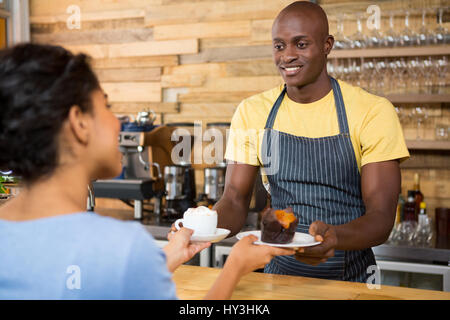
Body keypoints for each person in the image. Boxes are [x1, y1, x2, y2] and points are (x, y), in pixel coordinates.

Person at [0, 43, 294, 299]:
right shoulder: (120, 246)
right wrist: (235, 267)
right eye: (106, 106)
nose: (118, 122)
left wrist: (165, 258)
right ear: (79, 123)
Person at [216, 1, 410, 282]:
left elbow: (381, 217)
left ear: (327, 45)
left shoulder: (372, 111)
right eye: (279, 46)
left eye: (301, 44)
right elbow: (234, 198)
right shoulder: (252, 111)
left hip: (351, 279)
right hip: (278, 278)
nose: (287, 56)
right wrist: (202, 227)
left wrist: (335, 237)